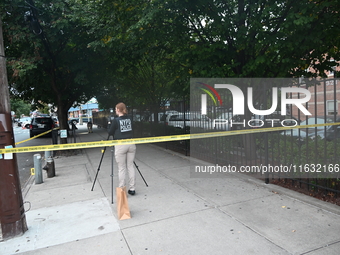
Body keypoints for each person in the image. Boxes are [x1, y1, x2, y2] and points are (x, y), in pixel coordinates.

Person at [108, 102, 136, 195]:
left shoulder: (116, 120)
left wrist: (109, 124)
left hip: (120, 144)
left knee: (121, 168)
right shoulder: (130, 118)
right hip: (131, 143)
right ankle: (132, 188)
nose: (115, 110)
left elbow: (110, 132)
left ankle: (122, 189)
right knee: (130, 166)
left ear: (118, 110)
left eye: (116, 109)